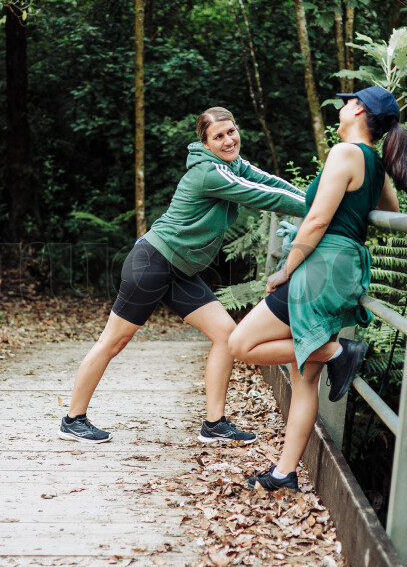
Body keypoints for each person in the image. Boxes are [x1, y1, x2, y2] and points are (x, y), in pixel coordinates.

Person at [59, 107, 307, 444]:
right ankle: (73, 419)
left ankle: (214, 423)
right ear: (205, 144)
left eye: (231, 132)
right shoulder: (211, 173)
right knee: (113, 342)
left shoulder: (233, 165)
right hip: (153, 263)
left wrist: (315, 199)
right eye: (218, 136)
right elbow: (267, 197)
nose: (228, 140)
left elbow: (271, 182)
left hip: (179, 270)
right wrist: (322, 208)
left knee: (225, 334)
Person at [227, 86, 407, 491]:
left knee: (240, 343)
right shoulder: (373, 162)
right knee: (304, 378)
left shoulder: (345, 153)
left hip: (319, 268)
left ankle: (338, 351)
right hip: (343, 270)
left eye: (349, 101)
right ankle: (284, 473)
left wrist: (284, 269)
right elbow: (391, 213)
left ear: (360, 110)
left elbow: (315, 221)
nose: (343, 105)